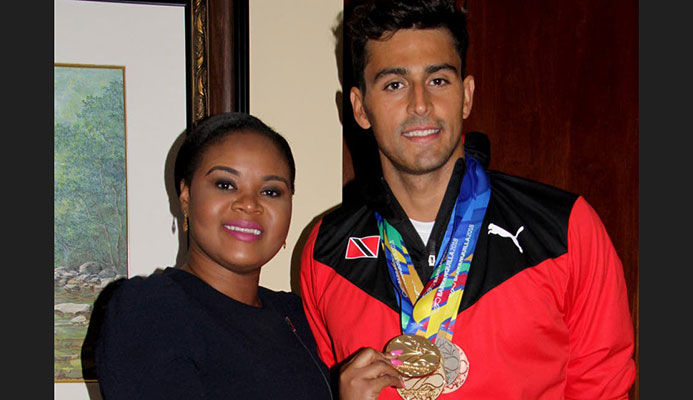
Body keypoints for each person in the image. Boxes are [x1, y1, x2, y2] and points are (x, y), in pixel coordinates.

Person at [300, 0, 636, 399]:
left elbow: (605, 387)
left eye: (438, 80)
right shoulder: (325, 253)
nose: (420, 103)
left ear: (467, 95)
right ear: (360, 108)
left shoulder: (564, 229)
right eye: (394, 84)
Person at [95, 112, 404, 399]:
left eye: (271, 191)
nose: (249, 204)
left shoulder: (300, 315)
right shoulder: (149, 308)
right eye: (225, 185)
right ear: (186, 196)